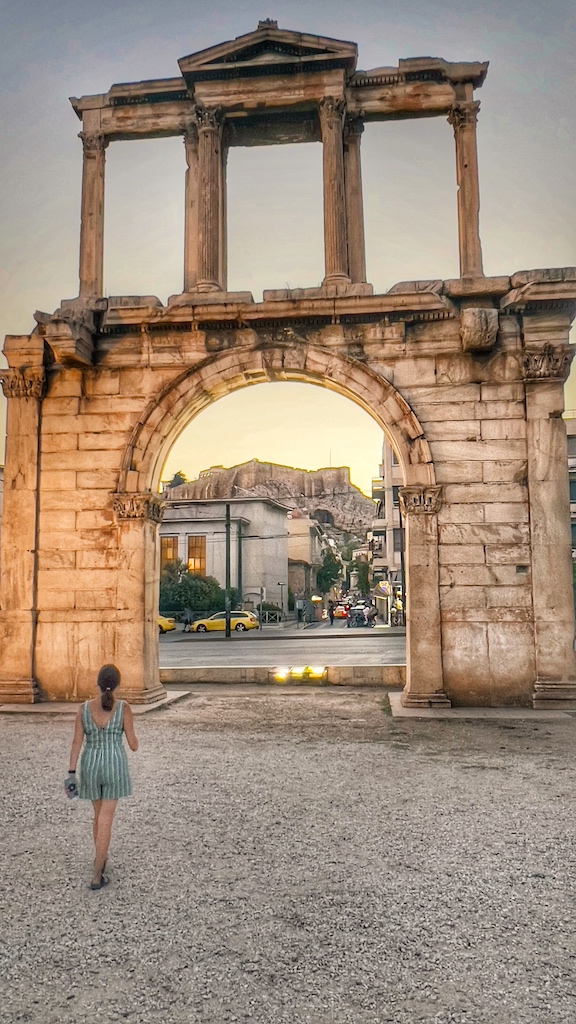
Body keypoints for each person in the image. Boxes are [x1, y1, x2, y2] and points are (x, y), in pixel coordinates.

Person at [66, 664, 139, 891]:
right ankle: (97, 874)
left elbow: (77, 742)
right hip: (113, 765)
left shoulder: (84, 709)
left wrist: (71, 772)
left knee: (97, 817)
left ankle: (101, 855)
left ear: (98, 683)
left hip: (90, 765)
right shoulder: (123, 708)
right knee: (106, 819)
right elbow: (134, 745)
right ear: (118, 684)